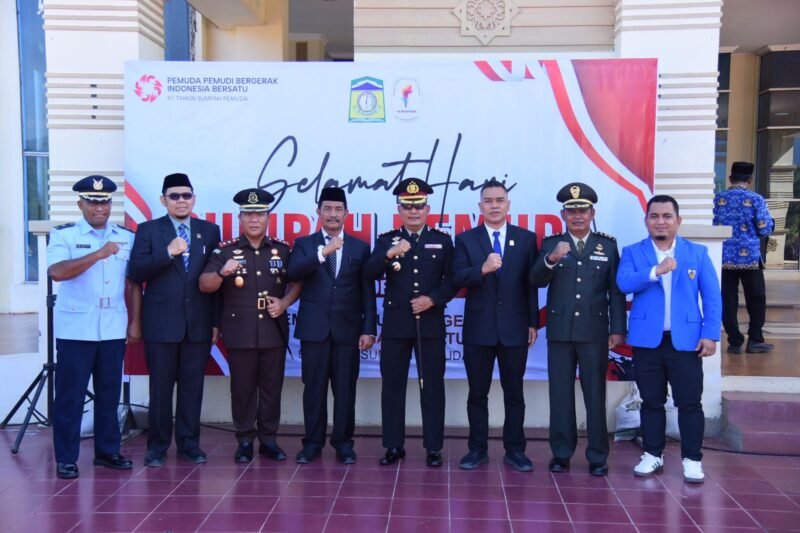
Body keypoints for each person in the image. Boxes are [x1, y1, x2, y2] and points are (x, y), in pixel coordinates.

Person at [617, 195, 721, 483]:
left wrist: (710, 334)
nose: (660, 221)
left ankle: (692, 459)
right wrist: (654, 271)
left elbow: (712, 297)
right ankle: (652, 454)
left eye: (666, 216)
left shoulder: (697, 253)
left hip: (686, 341)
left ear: (678, 220)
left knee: (689, 402)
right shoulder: (633, 252)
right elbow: (623, 283)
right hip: (647, 341)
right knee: (651, 401)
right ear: (646, 220)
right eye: (654, 216)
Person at [47, 175, 141, 479]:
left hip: (113, 326)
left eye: (104, 202)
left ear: (110, 204)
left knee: (109, 394)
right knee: (70, 396)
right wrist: (98, 254)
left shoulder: (126, 237)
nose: (99, 207)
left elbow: (133, 282)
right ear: (80, 204)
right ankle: (66, 457)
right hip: (76, 328)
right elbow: (57, 273)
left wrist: (135, 321)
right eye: (92, 201)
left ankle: (107, 451)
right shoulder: (64, 235)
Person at [530, 182, 626, 476]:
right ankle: (561, 453)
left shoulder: (607, 245)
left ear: (592, 212)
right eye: (571, 211)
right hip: (559, 332)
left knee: (595, 395)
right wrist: (551, 259)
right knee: (560, 395)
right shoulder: (550, 244)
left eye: (582, 210)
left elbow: (616, 292)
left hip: (594, 332)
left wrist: (617, 328)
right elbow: (535, 280)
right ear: (563, 214)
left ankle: (598, 456)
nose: (577, 216)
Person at [199, 188, 300, 463]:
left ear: (268, 217)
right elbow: (205, 285)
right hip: (240, 330)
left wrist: (286, 302)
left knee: (271, 388)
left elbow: (298, 280)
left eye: (260, 214)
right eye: (249, 214)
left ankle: (269, 440)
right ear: (240, 217)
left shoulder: (282, 249)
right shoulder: (226, 250)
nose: (254, 219)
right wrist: (222, 272)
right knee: (242, 389)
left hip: (273, 329)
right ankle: (244, 440)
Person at [129, 172, 221, 467]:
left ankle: (189, 445)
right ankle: (157, 447)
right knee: (161, 388)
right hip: (161, 323)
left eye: (186, 195)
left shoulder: (209, 230)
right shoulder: (148, 230)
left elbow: (214, 278)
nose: (181, 201)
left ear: (193, 198)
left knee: (192, 388)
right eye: (174, 196)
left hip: (198, 322)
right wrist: (167, 253)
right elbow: (137, 273)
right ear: (163, 200)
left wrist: (216, 321)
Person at [365, 178, 456, 467]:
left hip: (429, 325)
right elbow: (368, 272)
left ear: (427, 208)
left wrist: (433, 299)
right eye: (407, 206)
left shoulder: (442, 240)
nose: (413, 211)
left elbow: (452, 280)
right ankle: (393, 445)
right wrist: (390, 253)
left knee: (431, 386)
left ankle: (433, 447)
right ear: (399, 210)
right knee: (392, 386)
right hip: (395, 325)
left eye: (418, 206)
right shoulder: (386, 240)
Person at [452, 180, 539, 472]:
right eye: (488, 200)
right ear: (480, 206)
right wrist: (482, 270)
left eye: (499, 200)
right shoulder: (466, 240)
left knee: (514, 393)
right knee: (478, 393)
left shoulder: (526, 239)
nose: (494, 205)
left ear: (508, 205)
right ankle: (477, 449)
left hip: (515, 328)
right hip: (479, 330)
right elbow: (458, 278)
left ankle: (515, 450)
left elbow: (530, 286)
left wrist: (532, 322)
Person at [287, 186, 377, 464]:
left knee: (345, 389)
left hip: (347, 330)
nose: (333, 214)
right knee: (313, 388)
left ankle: (343, 443)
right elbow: (293, 272)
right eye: (328, 208)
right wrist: (322, 252)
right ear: (318, 212)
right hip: (314, 330)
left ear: (346, 214)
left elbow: (366, 291)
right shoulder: (304, 244)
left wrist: (369, 328)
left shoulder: (360, 247)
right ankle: (312, 443)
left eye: (338, 209)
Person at [713, 161, 775, 354]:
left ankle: (734, 341)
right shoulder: (755, 199)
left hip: (723, 258)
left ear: (730, 179)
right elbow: (765, 228)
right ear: (750, 179)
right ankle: (755, 339)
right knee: (756, 298)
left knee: (727, 300)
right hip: (750, 259)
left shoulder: (717, 199)